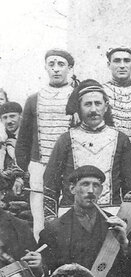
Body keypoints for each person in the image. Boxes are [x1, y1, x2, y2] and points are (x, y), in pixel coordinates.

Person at [39, 165, 131, 277]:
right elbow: (46, 274)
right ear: (72, 189)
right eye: (85, 184)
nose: (91, 191)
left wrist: (124, 242)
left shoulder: (116, 225)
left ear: (101, 190)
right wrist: (38, 267)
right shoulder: (54, 229)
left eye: (96, 185)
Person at [44, 79, 131, 212]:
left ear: (106, 106)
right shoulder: (65, 139)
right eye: (87, 104)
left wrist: (127, 220)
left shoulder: (121, 139)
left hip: (111, 213)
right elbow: (50, 183)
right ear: (79, 107)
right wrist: (51, 218)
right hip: (71, 215)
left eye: (98, 103)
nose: (93, 109)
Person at [16, 49, 75, 238]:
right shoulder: (34, 99)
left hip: (70, 168)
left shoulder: (77, 97)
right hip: (39, 167)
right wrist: (24, 170)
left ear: (69, 68)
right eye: (51, 64)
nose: (56, 69)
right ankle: (42, 254)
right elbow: (23, 140)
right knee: (40, 219)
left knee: (69, 215)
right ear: (45, 67)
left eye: (61, 64)